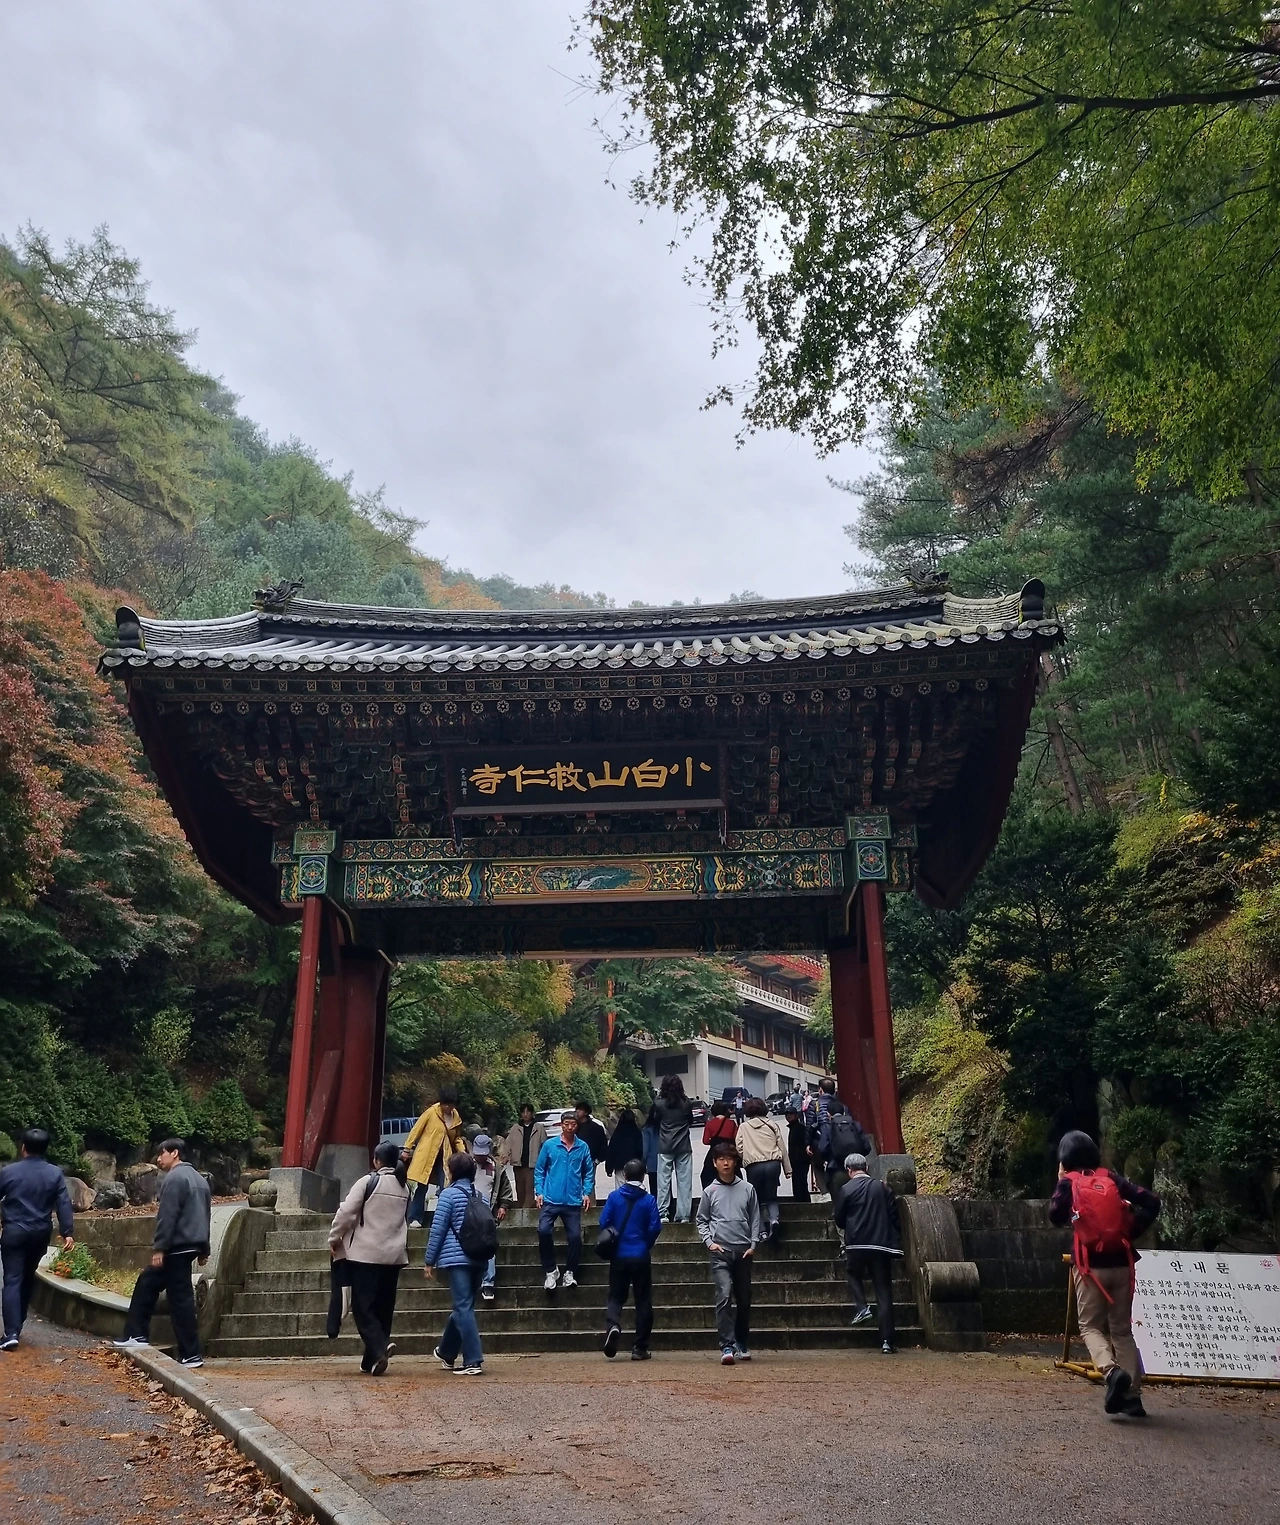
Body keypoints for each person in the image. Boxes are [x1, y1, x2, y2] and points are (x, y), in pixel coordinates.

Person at [1049, 1129, 1161, 1418]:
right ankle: (1133, 1398)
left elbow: (1055, 1216)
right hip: (1122, 1263)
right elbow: (1151, 1201)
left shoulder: (1069, 1182)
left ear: (1064, 1159)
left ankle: (1111, 1373)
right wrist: (1129, 1232)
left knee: (1090, 1327)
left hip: (1090, 1267)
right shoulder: (1110, 1177)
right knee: (1122, 1330)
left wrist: (1062, 1180)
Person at [114, 1139, 211, 1366]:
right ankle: (138, 1335)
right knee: (151, 1283)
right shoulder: (200, 1180)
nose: (159, 1159)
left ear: (175, 1153)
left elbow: (167, 1216)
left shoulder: (175, 1178)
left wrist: (159, 1248)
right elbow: (206, 1216)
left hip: (176, 1246)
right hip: (191, 1246)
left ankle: (189, 1353)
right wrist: (204, 1248)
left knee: (179, 1298)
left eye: (162, 1153)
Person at [326, 1140, 410, 1375]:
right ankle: (371, 1360)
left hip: (366, 1255)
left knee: (363, 1307)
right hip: (393, 1257)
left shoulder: (368, 1181)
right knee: (384, 1307)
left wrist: (334, 1238)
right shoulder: (404, 1187)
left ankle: (381, 1345)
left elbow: (346, 1212)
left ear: (376, 1160)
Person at [0, 1127, 75, 1351]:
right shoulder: (54, 1173)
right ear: (45, 1149)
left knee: (12, 1279)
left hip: (14, 1231)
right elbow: (63, 1203)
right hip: (40, 1233)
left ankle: (11, 1332)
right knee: (27, 1277)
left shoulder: (9, 1171)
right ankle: (19, 1323)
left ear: (23, 1147)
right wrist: (67, 1231)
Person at [696, 1140, 762, 1365]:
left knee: (744, 1299)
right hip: (720, 1251)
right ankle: (726, 1344)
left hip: (743, 1250)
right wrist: (709, 1242)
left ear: (735, 1162)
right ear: (714, 1163)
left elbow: (755, 1217)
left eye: (730, 1159)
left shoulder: (748, 1189)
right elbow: (701, 1219)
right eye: (721, 1159)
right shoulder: (710, 1191)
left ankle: (741, 1341)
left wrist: (753, 1244)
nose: (726, 1163)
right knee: (723, 1295)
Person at [424, 1151, 488, 1376]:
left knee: (462, 1307)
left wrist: (429, 1260)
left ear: (452, 1172)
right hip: (479, 1258)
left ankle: (473, 1361)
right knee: (464, 1306)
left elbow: (438, 1229)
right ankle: (447, 1352)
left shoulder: (448, 1196)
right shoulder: (481, 1197)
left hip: (456, 1259)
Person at [833, 1152, 902, 1353]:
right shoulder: (882, 1187)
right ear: (867, 1168)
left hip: (856, 1245)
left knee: (852, 1272)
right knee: (883, 1291)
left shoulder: (846, 1189)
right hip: (881, 1245)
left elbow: (839, 1219)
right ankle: (887, 1341)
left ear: (849, 1171)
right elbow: (894, 1216)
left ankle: (862, 1307)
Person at [599, 1158, 664, 1360]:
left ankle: (613, 1325)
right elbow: (655, 1227)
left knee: (616, 1297)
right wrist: (645, 1243)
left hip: (619, 1255)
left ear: (625, 1175)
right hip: (640, 1255)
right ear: (643, 1176)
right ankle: (640, 1347)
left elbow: (603, 1221)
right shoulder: (649, 1200)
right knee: (643, 1300)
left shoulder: (614, 1197)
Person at [533, 1111, 594, 1291]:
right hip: (551, 1199)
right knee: (543, 1230)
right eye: (566, 1124)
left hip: (572, 1201)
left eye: (573, 1124)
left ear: (577, 1126)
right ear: (561, 1125)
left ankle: (570, 1272)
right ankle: (551, 1270)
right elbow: (540, 1170)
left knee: (575, 1237)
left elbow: (588, 1172)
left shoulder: (583, 1147)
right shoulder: (550, 1145)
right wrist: (539, 1192)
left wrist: (586, 1193)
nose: (569, 1127)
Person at [403, 1086, 468, 1226]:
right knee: (422, 1187)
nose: (449, 1107)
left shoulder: (456, 1117)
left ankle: (444, 1218)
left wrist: (462, 1152)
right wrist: (407, 1148)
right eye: (446, 1104)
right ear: (441, 1103)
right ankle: (415, 1218)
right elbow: (416, 1130)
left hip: (445, 1158)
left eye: (451, 1104)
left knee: (446, 1187)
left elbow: (457, 1138)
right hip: (427, 1156)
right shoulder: (431, 1112)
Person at [470, 1133, 515, 1302]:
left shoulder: (496, 1168)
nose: (480, 1157)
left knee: (489, 1247)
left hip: (488, 1213)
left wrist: (503, 1206)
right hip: (468, 1211)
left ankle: (488, 1282)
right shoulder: (467, 1165)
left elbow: (505, 1189)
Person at [738, 1097, 790, 1242]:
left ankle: (761, 1231)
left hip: (754, 1166)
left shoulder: (744, 1127)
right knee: (772, 1196)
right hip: (773, 1164)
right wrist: (787, 1169)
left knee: (756, 1200)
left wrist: (746, 1158)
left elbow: (739, 1148)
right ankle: (774, 1221)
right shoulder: (772, 1124)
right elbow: (782, 1147)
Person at [809, 1081, 873, 1198]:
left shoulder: (825, 1123)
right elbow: (867, 1147)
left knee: (839, 1199)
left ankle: (824, 1193)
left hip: (836, 1169)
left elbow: (823, 1148)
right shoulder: (854, 1123)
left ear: (828, 1114)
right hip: (856, 1171)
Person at [648, 1075, 696, 1224]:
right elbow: (690, 1121)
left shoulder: (659, 1103)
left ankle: (663, 1214)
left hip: (665, 1146)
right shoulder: (686, 1103)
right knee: (684, 1183)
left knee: (663, 1182)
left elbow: (655, 1121)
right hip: (684, 1146)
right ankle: (684, 1215)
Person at [502, 1103, 547, 1209]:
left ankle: (527, 1212)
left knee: (529, 1190)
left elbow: (544, 1145)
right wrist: (505, 1156)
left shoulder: (539, 1128)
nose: (525, 1114)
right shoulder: (515, 1128)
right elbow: (508, 1144)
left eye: (528, 1112)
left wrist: (544, 1162)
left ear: (532, 1113)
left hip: (532, 1164)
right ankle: (520, 1210)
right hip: (518, 1164)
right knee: (520, 1189)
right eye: (523, 1112)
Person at [574, 1101, 609, 1203]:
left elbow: (603, 1145)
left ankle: (591, 1205)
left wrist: (598, 1160)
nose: (577, 1112)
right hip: (574, 1160)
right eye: (576, 1110)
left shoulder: (596, 1128)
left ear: (586, 1112)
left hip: (591, 1160)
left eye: (580, 1110)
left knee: (589, 1183)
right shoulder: (574, 1127)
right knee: (574, 1183)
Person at [700, 1101, 738, 1191]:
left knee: (706, 1175)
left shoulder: (710, 1124)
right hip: (729, 1152)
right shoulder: (731, 1123)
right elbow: (737, 1139)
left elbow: (705, 1141)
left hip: (715, 1152)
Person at [605, 1108, 644, 1189]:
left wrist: (609, 1168)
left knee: (620, 1188)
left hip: (620, 1166)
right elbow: (640, 1150)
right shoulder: (637, 1132)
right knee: (634, 1188)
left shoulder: (618, 1132)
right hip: (634, 1167)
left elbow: (611, 1151)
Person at [784, 1108, 811, 1204]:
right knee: (800, 1184)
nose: (788, 1116)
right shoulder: (793, 1128)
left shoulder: (800, 1128)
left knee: (800, 1185)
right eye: (787, 1114)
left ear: (796, 1115)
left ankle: (802, 1204)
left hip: (800, 1161)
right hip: (796, 1162)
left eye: (791, 1114)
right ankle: (804, 1203)